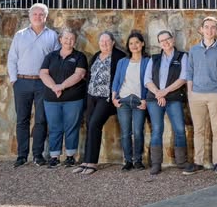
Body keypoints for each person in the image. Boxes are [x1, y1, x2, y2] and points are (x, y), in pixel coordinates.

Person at [7, 3, 60, 167]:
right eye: (35, 14)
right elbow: (12, 59)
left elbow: (56, 61)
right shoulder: (20, 35)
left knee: (41, 120)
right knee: (22, 120)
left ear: (46, 16)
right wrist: (14, 80)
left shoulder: (52, 36)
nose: (38, 17)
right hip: (22, 82)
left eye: (41, 14)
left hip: (42, 84)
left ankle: (38, 155)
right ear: (30, 16)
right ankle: (22, 155)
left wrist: (52, 83)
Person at [75, 32, 125, 175]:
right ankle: (85, 161)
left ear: (113, 43)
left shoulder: (118, 56)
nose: (104, 43)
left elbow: (121, 78)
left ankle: (92, 163)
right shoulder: (96, 55)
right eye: (101, 41)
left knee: (95, 124)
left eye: (107, 41)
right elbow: (90, 76)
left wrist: (115, 95)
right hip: (92, 96)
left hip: (107, 97)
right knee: (89, 124)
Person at [144, 30, 192, 175]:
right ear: (159, 43)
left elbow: (183, 78)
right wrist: (158, 93)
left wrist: (164, 92)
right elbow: (147, 80)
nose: (165, 42)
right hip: (154, 98)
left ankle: (182, 162)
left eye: (167, 39)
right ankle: (156, 163)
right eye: (161, 40)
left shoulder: (182, 56)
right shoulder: (154, 58)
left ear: (173, 40)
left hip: (174, 97)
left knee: (179, 129)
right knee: (157, 130)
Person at [187, 16, 217, 175]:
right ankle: (198, 162)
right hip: (196, 95)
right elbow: (189, 73)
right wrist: (190, 94)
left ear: (216, 30)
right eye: (207, 27)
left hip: (215, 95)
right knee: (198, 130)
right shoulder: (193, 50)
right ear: (201, 29)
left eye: (213, 27)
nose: (210, 30)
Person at [39, 28, 88, 169]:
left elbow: (79, 75)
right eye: (66, 38)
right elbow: (43, 73)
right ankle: (54, 157)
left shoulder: (80, 56)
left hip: (73, 99)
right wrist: (54, 87)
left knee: (71, 127)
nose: (68, 41)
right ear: (60, 39)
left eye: (72, 39)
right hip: (52, 99)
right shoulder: (50, 56)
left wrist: (62, 86)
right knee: (55, 128)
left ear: (75, 41)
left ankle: (70, 157)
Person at [111, 31, 150, 171]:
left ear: (142, 44)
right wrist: (113, 98)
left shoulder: (147, 61)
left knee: (138, 131)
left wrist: (145, 100)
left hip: (139, 101)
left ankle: (138, 160)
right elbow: (116, 80)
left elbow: (149, 81)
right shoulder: (122, 62)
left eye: (137, 43)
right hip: (123, 100)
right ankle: (128, 161)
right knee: (125, 132)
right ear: (128, 45)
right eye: (131, 43)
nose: (134, 46)